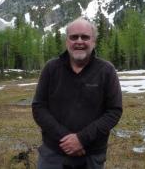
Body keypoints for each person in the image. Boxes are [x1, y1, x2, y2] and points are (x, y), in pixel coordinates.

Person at [32, 17, 122, 169]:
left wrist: (81, 139)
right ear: (67, 41)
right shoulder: (51, 68)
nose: (79, 41)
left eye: (85, 37)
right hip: (53, 154)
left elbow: (114, 111)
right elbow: (38, 107)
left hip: (91, 155)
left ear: (93, 41)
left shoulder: (106, 71)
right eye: (73, 37)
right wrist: (66, 139)